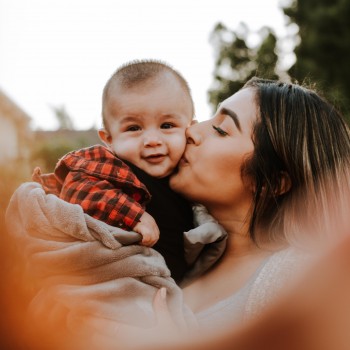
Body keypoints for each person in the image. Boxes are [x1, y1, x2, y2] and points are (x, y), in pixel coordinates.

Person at [32, 60, 195, 283]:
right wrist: (133, 215)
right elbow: (78, 188)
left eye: (167, 125)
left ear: (191, 129)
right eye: (133, 128)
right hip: (117, 283)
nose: (152, 140)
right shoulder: (112, 166)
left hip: (174, 290)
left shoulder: (193, 173)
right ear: (109, 139)